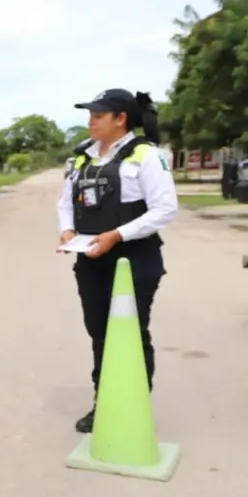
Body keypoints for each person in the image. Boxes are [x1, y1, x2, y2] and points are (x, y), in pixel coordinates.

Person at [57, 88, 178, 433]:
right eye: (90, 115)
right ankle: (104, 402)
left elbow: (164, 209)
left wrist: (116, 235)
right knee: (99, 334)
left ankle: (135, 404)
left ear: (120, 119)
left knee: (129, 333)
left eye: (97, 115)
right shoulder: (82, 157)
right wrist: (67, 231)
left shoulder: (146, 156)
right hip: (91, 258)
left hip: (134, 261)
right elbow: (66, 202)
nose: (90, 121)